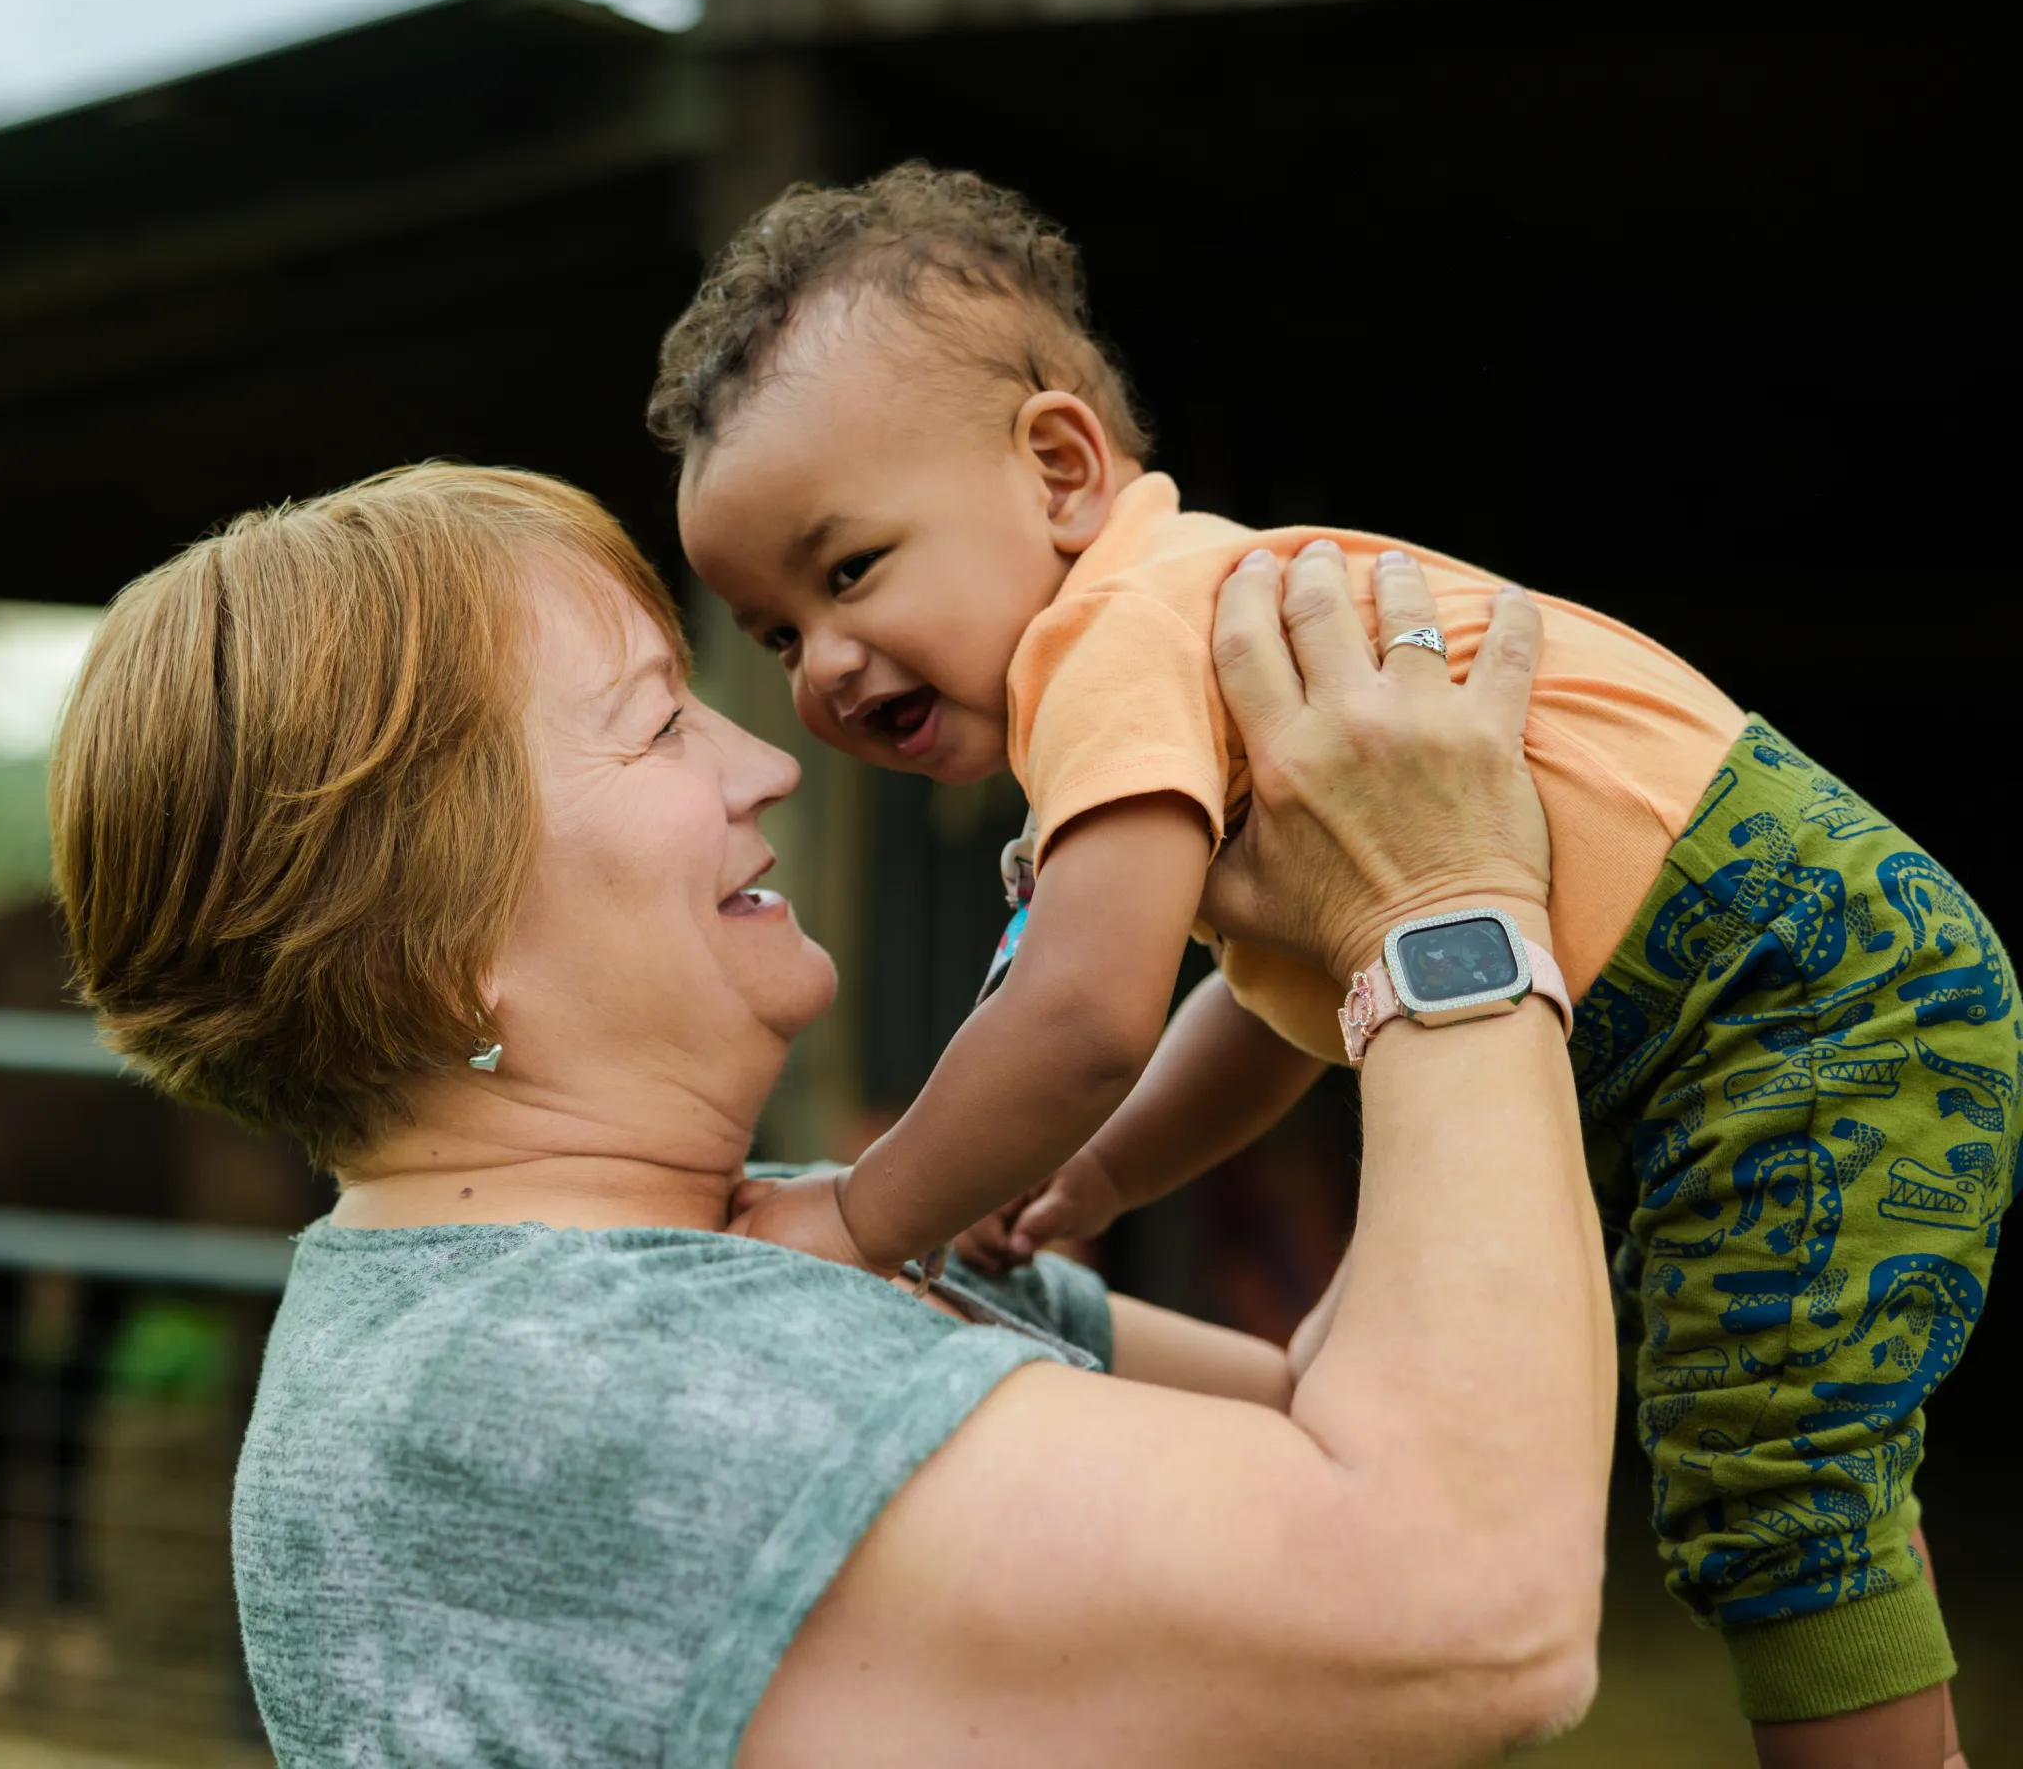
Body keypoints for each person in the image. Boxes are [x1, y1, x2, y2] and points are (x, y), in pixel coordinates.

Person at [658, 163, 1996, 1752]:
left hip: (1797, 987)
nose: (825, 664)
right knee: (1764, 1424)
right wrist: (1096, 1182)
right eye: (778, 633)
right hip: (1780, 983)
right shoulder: (1193, 634)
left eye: (851, 568)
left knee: (1765, 1472)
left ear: (1062, 471)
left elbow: (1082, 1011)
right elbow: (1277, 1001)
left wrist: (869, 1214)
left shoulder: (1118, 634)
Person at [49, 462, 1613, 1765]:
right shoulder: (563, 1377)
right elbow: (1472, 1605)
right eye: (662, 723)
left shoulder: (754, 1252)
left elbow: (1351, 1422)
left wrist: (1351, 939)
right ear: (444, 947)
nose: (764, 763)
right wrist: (1446, 911)